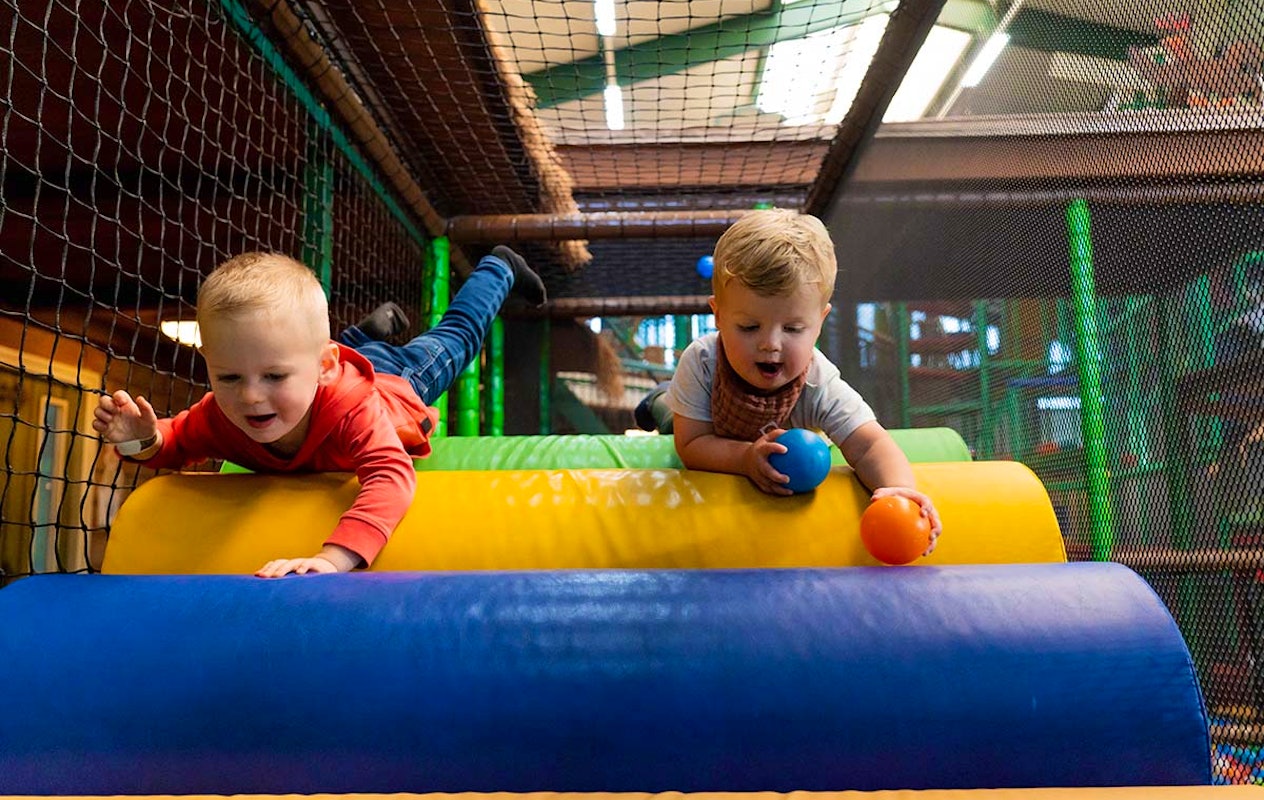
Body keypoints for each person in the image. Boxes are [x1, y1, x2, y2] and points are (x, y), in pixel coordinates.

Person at [93, 246, 546, 577]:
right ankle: (364, 334)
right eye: (229, 378)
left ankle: (499, 267)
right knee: (293, 366)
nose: (250, 397)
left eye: (272, 377)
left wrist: (333, 558)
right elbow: (174, 444)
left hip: (391, 382)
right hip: (325, 366)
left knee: (458, 338)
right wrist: (141, 438)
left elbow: (390, 477)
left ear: (324, 366)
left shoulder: (354, 412)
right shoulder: (224, 415)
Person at [649, 209, 942, 551]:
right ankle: (656, 398)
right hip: (709, 423)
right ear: (717, 315)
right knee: (667, 415)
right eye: (749, 327)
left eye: (792, 329)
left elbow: (869, 444)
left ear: (819, 322)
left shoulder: (818, 381)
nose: (770, 343)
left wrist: (900, 490)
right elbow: (692, 445)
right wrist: (745, 459)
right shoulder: (702, 362)